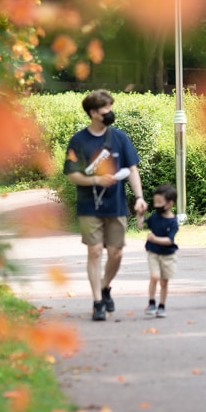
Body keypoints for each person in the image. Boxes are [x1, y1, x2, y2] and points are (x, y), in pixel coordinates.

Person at [64, 90, 148, 321]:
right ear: (93, 113)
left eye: (111, 108)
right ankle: (97, 302)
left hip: (116, 204)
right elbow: (71, 174)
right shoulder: (78, 141)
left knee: (116, 253)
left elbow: (132, 170)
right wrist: (96, 180)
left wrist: (139, 197)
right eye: (106, 109)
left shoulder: (120, 138)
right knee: (94, 252)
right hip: (88, 206)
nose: (110, 112)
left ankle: (104, 286)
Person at [136, 183, 179, 318]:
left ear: (169, 203)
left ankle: (162, 305)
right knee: (155, 276)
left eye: (159, 203)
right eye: (155, 202)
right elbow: (141, 226)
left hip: (168, 255)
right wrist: (140, 214)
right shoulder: (155, 217)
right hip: (153, 252)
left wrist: (154, 239)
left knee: (164, 282)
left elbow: (170, 240)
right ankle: (151, 302)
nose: (156, 205)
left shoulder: (173, 222)